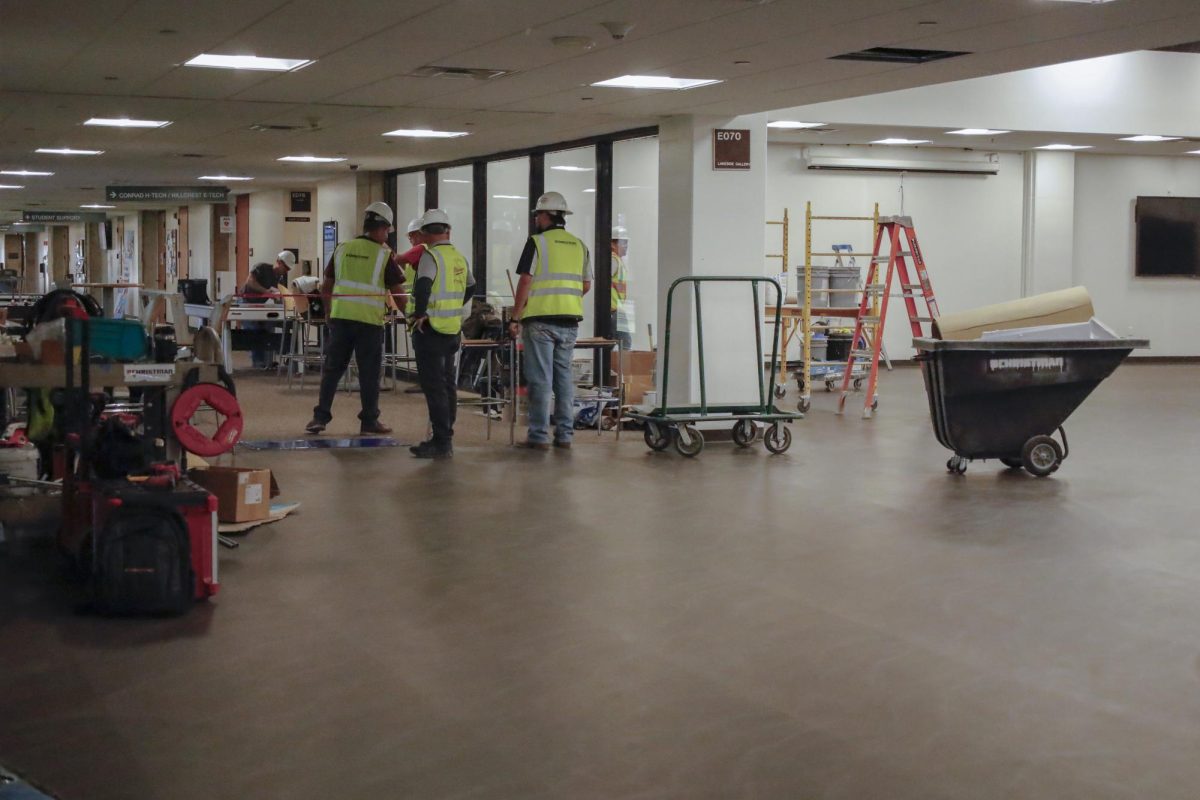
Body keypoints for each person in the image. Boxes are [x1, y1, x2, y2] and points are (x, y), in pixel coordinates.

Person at [305, 202, 405, 435]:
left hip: (341, 320)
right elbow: (398, 293)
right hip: (369, 323)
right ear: (384, 228)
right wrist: (410, 317)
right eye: (388, 230)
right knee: (369, 373)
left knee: (332, 369)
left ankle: (320, 417)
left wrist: (329, 311)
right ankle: (369, 420)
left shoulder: (342, 248)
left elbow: (326, 285)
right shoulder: (383, 255)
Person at [507, 191, 592, 451]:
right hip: (569, 321)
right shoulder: (579, 245)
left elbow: (525, 280)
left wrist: (515, 316)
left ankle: (538, 436)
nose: (535, 219)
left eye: (537, 214)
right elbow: (586, 285)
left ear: (545, 215)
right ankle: (565, 436)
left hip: (541, 321)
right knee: (563, 379)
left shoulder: (537, 242)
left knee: (541, 379)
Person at [406, 209, 474, 458]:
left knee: (434, 387)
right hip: (452, 330)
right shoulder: (459, 257)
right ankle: (446, 434)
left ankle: (441, 441)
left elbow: (423, 285)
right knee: (447, 385)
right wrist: (454, 305)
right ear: (448, 231)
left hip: (430, 330)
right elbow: (471, 286)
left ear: (425, 233)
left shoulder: (430, 257)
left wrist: (421, 313)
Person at [242, 251, 295, 369]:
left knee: (267, 329)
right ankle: (258, 362)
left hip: (261, 307)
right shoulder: (261, 268)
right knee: (254, 330)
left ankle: (267, 361)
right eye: (285, 268)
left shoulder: (279, 279)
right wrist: (266, 291)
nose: (285, 271)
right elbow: (250, 282)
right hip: (247, 303)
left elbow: (278, 294)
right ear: (279, 262)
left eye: (288, 270)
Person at [610, 226, 633, 351]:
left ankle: (615, 369)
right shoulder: (613, 260)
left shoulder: (617, 260)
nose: (626, 246)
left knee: (614, 343)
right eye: (623, 243)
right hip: (614, 311)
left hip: (617, 310)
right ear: (613, 244)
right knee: (625, 343)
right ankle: (622, 370)